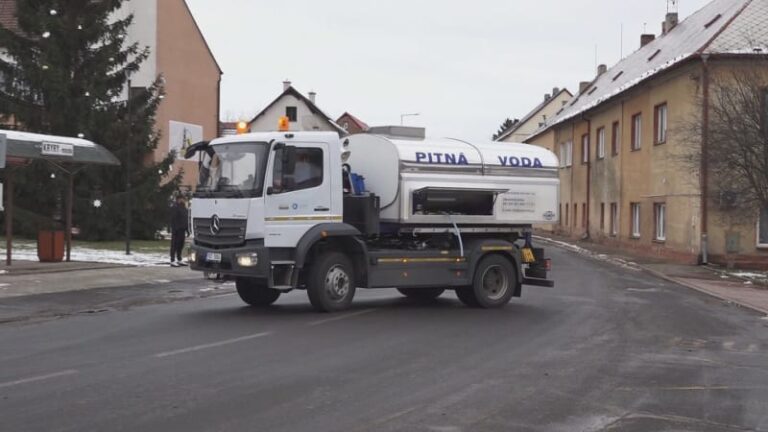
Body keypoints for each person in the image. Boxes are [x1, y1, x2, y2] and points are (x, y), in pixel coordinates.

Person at [170, 195, 190, 267]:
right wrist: (175, 228)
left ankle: (179, 259)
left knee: (180, 245)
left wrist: (187, 229)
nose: (184, 200)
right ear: (179, 199)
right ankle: (172, 260)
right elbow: (173, 218)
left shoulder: (184, 208)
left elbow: (185, 219)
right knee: (174, 245)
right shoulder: (175, 207)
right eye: (183, 199)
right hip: (177, 229)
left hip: (182, 229)